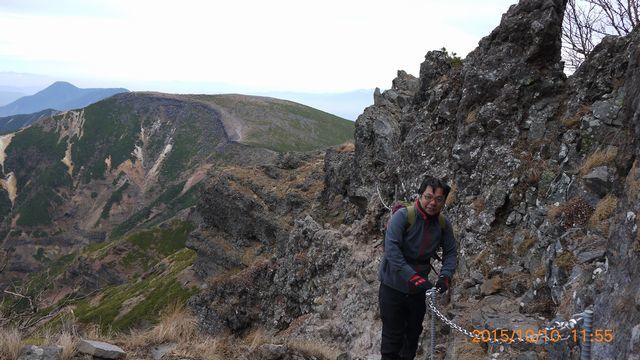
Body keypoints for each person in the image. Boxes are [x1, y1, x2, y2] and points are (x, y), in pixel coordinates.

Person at [378, 175, 457, 360]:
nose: (433, 203)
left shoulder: (443, 224)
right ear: (420, 195)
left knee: (412, 336)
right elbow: (392, 251)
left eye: (439, 199)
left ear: (444, 201)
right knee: (392, 338)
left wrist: (445, 277)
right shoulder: (403, 217)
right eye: (428, 197)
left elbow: (451, 252)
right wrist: (414, 278)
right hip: (392, 287)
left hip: (418, 290)